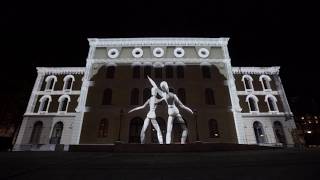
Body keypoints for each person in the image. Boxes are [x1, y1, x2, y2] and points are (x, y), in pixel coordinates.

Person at [155, 79, 193, 144]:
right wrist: (190, 110)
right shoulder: (173, 95)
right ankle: (182, 142)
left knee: (169, 130)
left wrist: (150, 80)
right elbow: (181, 105)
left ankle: (168, 143)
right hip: (175, 112)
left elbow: (155, 87)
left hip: (170, 112)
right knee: (184, 129)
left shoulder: (164, 95)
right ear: (167, 86)